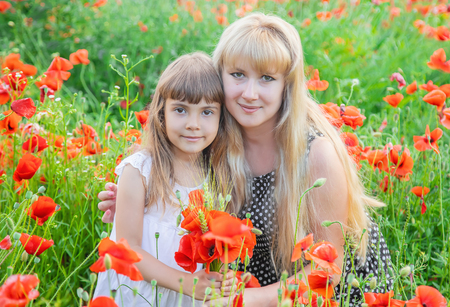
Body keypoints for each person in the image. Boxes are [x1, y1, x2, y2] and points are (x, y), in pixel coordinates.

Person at [98, 13, 393, 306]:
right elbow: (165, 169)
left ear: (286, 86)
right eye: (238, 75)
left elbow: (329, 267)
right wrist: (139, 203)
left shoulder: (315, 154)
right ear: (218, 77)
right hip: (238, 290)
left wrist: (241, 300)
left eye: (266, 78)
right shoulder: (211, 134)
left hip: (327, 294)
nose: (250, 94)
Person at [93, 52, 236, 307]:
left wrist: (222, 280)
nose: (193, 124)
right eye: (180, 110)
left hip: (188, 297)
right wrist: (187, 283)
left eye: (207, 112)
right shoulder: (140, 170)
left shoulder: (217, 173)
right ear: (161, 113)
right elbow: (129, 248)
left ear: (220, 118)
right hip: (138, 293)